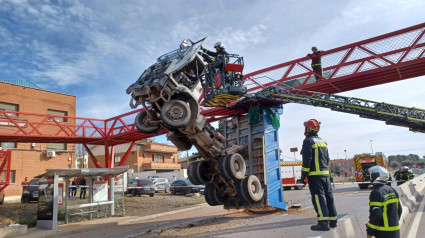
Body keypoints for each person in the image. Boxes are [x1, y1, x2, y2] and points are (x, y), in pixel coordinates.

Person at [300, 119, 337, 231]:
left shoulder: (308, 141)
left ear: (309, 129)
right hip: (325, 175)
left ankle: (323, 223)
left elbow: (307, 161)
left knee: (318, 198)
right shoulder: (323, 141)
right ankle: (333, 221)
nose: (305, 129)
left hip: (315, 177)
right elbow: (327, 159)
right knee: (329, 198)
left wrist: (303, 177)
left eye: (306, 127)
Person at [366, 165, 402, 238]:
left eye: (372, 175)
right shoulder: (392, 190)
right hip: (395, 232)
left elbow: (376, 215)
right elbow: (399, 210)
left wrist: (369, 233)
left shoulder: (376, 192)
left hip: (383, 233)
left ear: (377, 176)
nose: (371, 177)